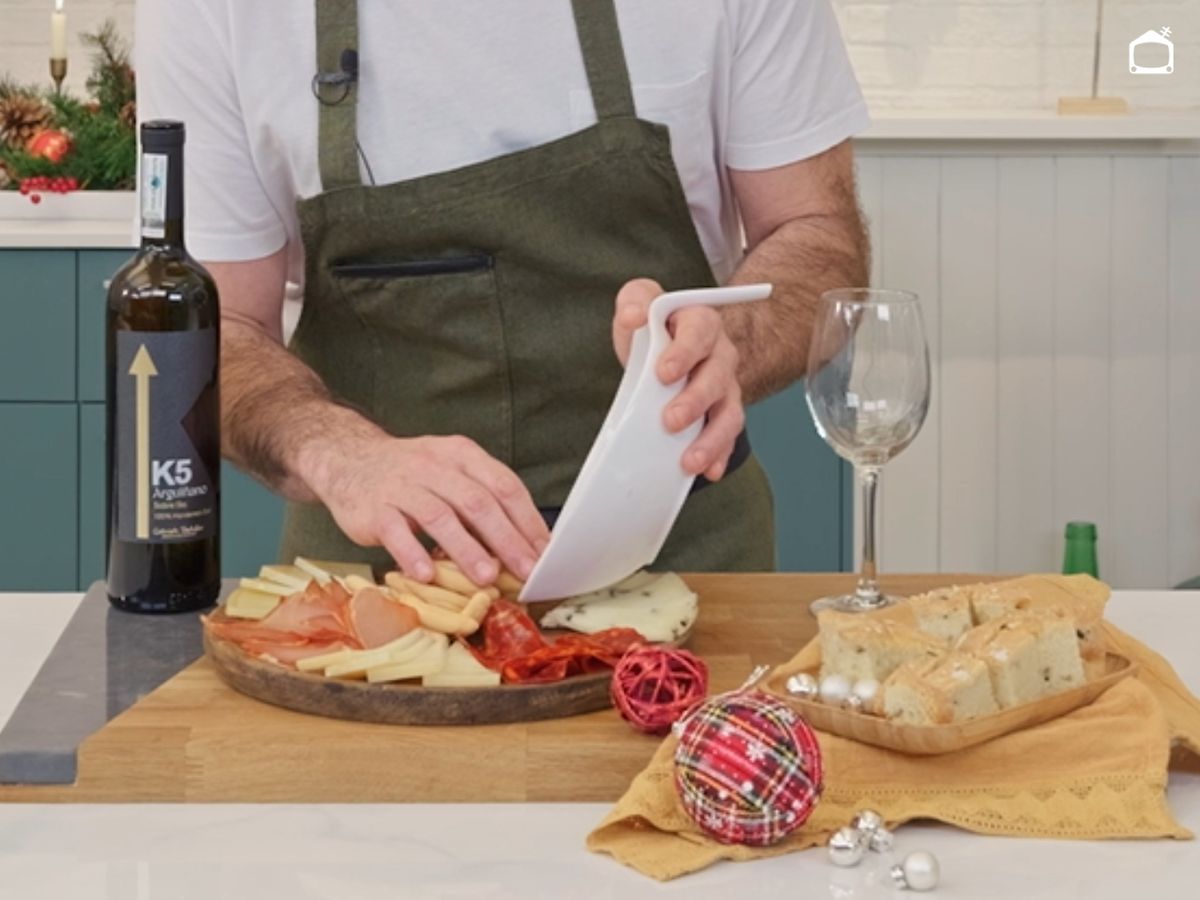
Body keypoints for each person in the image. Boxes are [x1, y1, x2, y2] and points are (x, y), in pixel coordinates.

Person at [135, 0, 870, 588]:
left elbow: (820, 237)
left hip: (691, 567)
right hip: (378, 591)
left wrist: (728, 344)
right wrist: (335, 451)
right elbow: (214, 326)